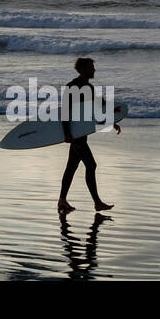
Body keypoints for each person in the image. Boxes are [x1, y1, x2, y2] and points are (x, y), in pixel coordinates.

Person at [57, 57, 119, 214]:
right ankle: (97, 202)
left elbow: (94, 112)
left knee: (71, 167)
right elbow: (64, 111)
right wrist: (67, 133)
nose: (94, 70)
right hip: (75, 135)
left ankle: (62, 201)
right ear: (83, 69)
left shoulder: (89, 88)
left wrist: (111, 121)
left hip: (81, 133)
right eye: (92, 67)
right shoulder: (72, 86)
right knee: (91, 165)